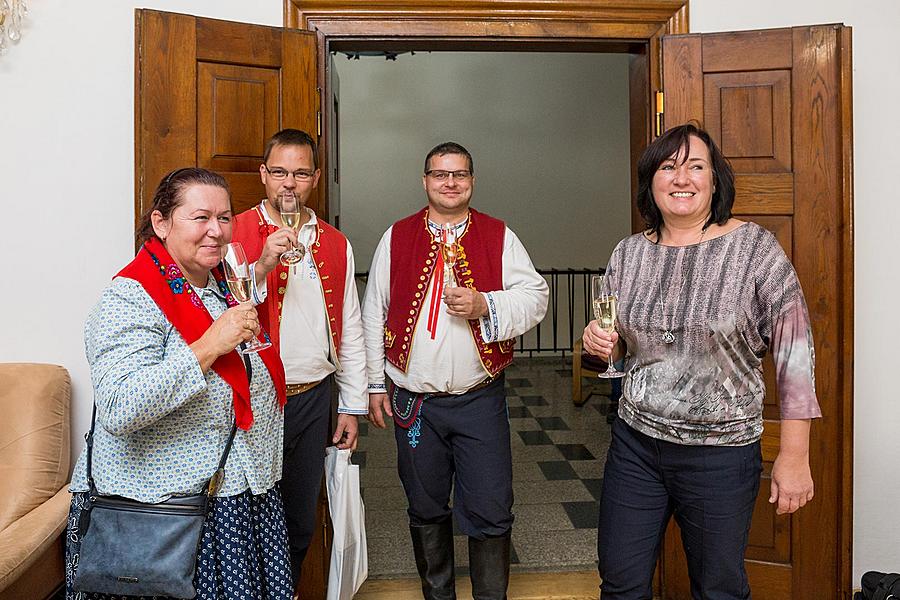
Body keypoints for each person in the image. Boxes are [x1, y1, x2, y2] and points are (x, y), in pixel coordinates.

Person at [582, 123, 822, 599]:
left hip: (721, 454)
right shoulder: (627, 254)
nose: (681, 178)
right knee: (621, 583)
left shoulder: (755, 249)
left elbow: (795, 354)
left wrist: (795, 455)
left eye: (696, 166)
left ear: (715, 180)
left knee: (718, 589)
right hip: (635, 447)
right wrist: (599, 345)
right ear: (651, 181)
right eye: (668, 167)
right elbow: (617, 345)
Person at [66, 168, 292, 599]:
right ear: (161, 222)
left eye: (225, 218)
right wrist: (209, 345)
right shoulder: (131, 297)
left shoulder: (222, 286)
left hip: (236, 500)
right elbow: (120, 408)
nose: (216, 231)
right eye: (200, 217)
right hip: (162, 514)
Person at [363, 142, 549, 600]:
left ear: (472, 181)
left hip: (479, 398)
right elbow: (373, 311)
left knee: (491, 506)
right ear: (425, 180)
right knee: (424, 506)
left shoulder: (499, 234)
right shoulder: (397, 235)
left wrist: (486, 302)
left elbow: (537, 296)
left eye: (460, 175)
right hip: (413, 402)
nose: (450, 182)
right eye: (441, 174)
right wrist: (372, 384)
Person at [232, 128, 368, 586]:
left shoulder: (335, 242)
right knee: (241, 517)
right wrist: (262, 266)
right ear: (264, 175)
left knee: (300, 520)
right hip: (249, 398)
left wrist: (351, 405)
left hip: (312, 399)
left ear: (315, 178)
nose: (289, 184)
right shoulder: (232, 233)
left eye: (301, 174)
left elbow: (351, 326)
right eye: (280, 173)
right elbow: (214, 312)